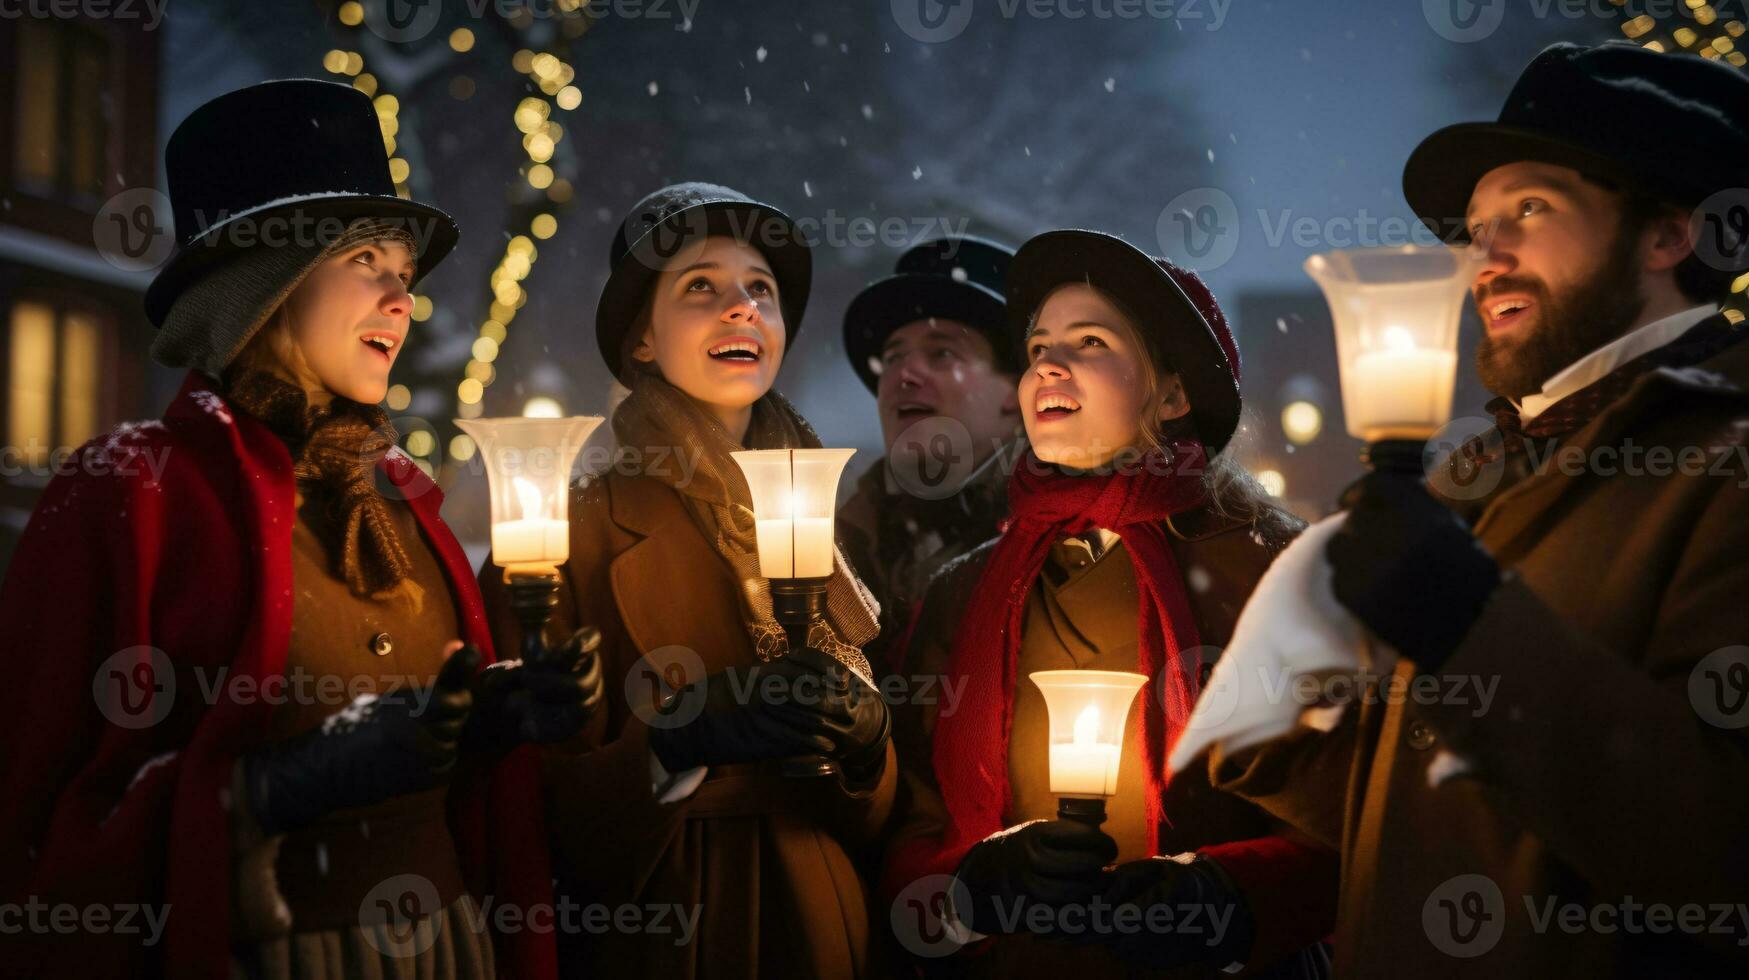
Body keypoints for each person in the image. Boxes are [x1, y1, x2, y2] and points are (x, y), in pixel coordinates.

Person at [0, 80, 600, 979]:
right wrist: (280, 787)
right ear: (263, 284)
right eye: (367, 260)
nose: (403, 300)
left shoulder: (401, 498)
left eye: (406, 273)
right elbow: (42, 846)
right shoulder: (127, 491)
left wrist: (485, 722)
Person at [1191, 42, 1749, 978]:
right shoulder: (1471, 480)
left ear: (1667, 234)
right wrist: (1278, 722)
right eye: (1474, 225)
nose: (1479, 257)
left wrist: (1468, 624)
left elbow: (1719, 845)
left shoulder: (1722, 455)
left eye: (1529, 209)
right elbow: (1449, 812)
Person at [881, 229, 1334, 978]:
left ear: (1175, 391)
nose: (1048, 365)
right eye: (1034, 350)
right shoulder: (963, 592)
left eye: (1089, 341)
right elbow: (913, 815)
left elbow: (1357, 819)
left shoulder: (1272, 570)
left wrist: (1217, 893)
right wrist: (971, 882)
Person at [477, 182, 894, 978]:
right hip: (672, 928)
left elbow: (877, 811)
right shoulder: (561, 531)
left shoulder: (820, 521)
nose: (741, 308)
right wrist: (675, 741)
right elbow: (522, 800)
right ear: (641, 338)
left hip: (825, 921)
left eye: (760, 291)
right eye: (700, 285)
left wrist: (869, 746)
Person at [837, 236, 1025, 669]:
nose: (903, 374)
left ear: (1017, 390)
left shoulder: (1071, 539)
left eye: (942, 353)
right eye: (892, 356)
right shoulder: (835, 547)